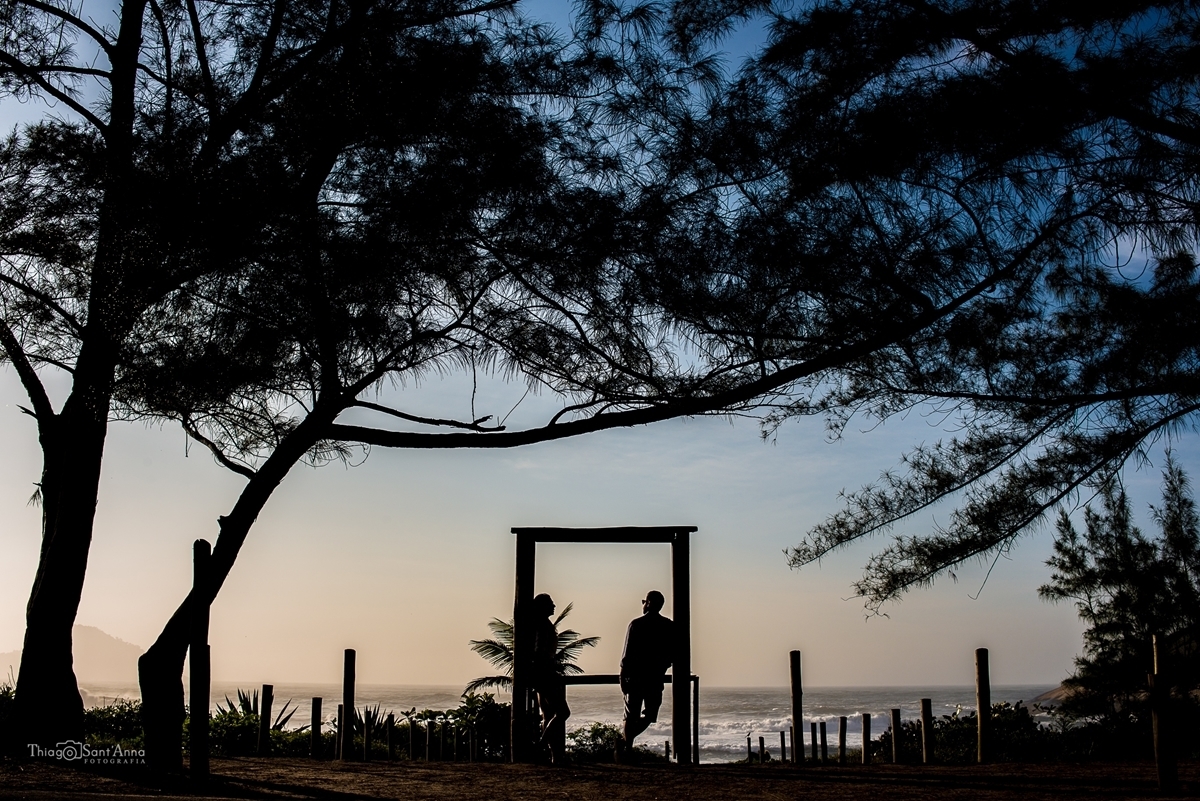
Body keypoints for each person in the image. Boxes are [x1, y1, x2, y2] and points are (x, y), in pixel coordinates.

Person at [619, 590, 674, 752]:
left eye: (644, 601)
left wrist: (622, 676)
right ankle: (626, 745)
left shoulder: (636, 624)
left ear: (648, 603)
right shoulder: (668, 626)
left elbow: (627, 655)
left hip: (636, 677)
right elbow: (672, 653)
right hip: (655, 677)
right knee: (650, 714)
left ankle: (626, 745)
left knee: (631, 714)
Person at [530, 592, 569, 763]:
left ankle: (554, 755)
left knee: (548, 713)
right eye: (551, 604)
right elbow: (540, 652)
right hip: (545, 673)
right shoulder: (543, 625)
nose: (554, 606)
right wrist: (549, 667)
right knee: (562, 712)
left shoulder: (539, 624)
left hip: (540, 673)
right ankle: (541, 746)